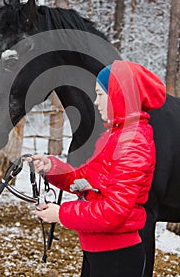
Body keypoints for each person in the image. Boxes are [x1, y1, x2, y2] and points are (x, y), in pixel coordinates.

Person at [30, 60, 166, 277]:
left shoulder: (132, 143)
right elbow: (86, 180)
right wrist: (52, 168)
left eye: (100, 94)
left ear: (118, 96)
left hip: (117, 257)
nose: (95, 102)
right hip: (101, 253)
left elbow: (114, 211)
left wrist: (61, 214)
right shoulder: (114, 137)